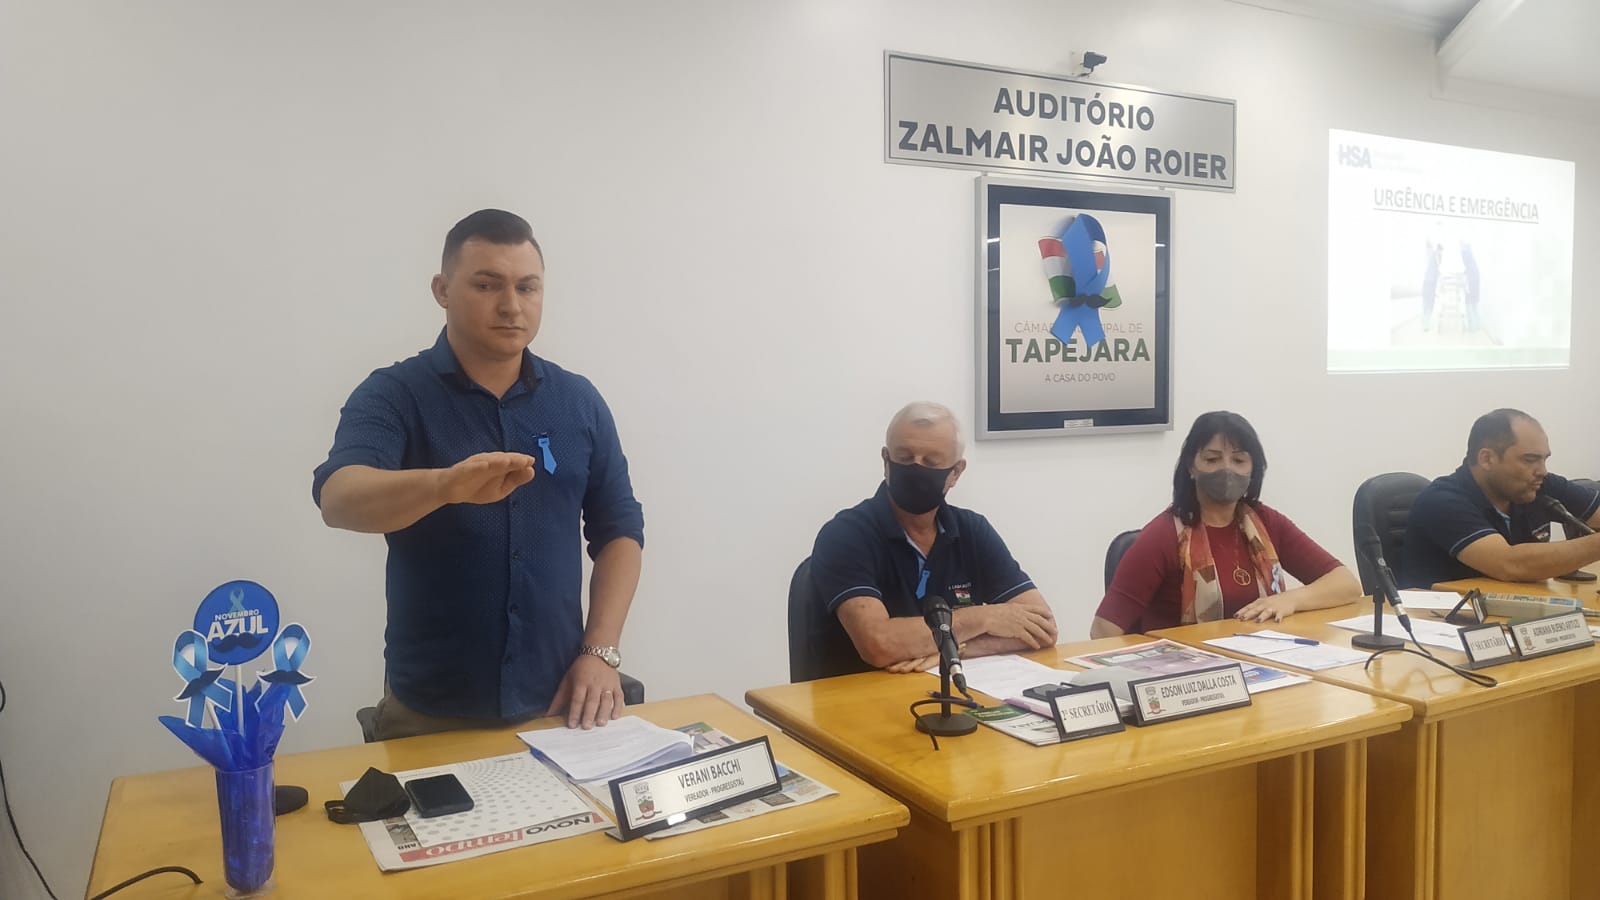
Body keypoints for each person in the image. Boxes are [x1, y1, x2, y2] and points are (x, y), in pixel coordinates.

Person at [313, 209, 644, 739]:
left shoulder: (578, 401)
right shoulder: (394, 394)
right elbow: (339, 498)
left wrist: (600, 651)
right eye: (487, 285)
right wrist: (444, 486)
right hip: (430, 710)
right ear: (442, 290)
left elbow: (620, 530)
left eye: (527, 287)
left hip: (562, 702)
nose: (511, 305)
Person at [806, 402, 1057, 678]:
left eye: (931, 463)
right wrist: (984, 617)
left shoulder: (972, 530)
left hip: (954, 689)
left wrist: (955, 650)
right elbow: (879, 644)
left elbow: (1043, 628)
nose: (916, 468)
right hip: (859, 695)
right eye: (904, 457)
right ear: (886, 461)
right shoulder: (846, 534)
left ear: (955, 472)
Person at [1091, 411, 1360, 636]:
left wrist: (1289, 600)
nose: (1227, 469)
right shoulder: (1163, 535)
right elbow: (1103, 630)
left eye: (1239, 460)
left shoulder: (1265, 523)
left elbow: (1346, 584)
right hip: (1187, 671)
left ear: (1253, 470)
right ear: (1191, 467)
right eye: (1212, 459)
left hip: (1264, 662)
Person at [1401, 409, 1600, 588]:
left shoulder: (1540, 484)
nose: (1542, 471)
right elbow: (1509, 565)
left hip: (1518, 607)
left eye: (1544, 459)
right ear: (1487, 459)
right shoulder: (1441, 501)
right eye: (1530, 460)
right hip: (1445, 614)